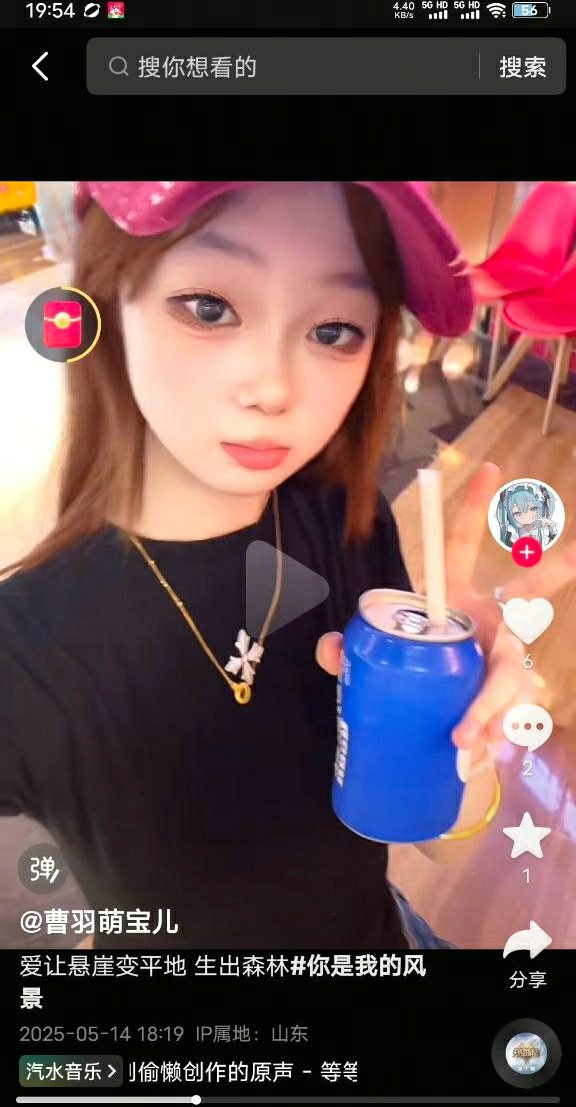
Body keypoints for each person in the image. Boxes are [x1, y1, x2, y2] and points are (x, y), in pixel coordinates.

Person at [1, 181, 574, 951]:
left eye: (335, 330)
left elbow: (437, 841)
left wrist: (461, 721)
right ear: (106, 299)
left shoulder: (343, 521)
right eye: (209, 308)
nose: (274, 389)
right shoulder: (24, 652)